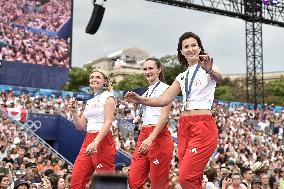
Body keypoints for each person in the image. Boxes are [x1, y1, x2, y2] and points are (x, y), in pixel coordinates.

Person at [125, 31, 223, 188]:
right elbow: (164, 99)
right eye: (186, 47)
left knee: (185, 178)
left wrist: (210, 70)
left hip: (203, 125)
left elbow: (219, 78)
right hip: (185, 125)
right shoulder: (182, 76)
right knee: (192, 178)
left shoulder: (207, 67)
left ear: (200, 48)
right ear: (181, 52)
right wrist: (140, 99)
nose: (190, 49)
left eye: (193, 45)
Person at [128, 58, 174, 189]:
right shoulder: (148, 91)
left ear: (159, 70)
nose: (147, 72)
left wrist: (150, 138)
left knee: (158, 185)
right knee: (133, 181)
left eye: (151, 68)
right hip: (144, 134)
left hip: (158, 136)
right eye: (145, 69)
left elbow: (164, 117)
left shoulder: (167, 89)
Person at [68, 68, 116, 189]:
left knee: (106, 183)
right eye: (92, 77)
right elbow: (80, 126)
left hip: (102, 140)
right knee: (76, 180)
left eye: (98, 77)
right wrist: (74, 112)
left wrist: (96, 142)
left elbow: (108, 122)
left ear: (105, 82)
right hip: (88, 139)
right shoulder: (89, 101)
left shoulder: (109, 97)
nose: (94, 79)